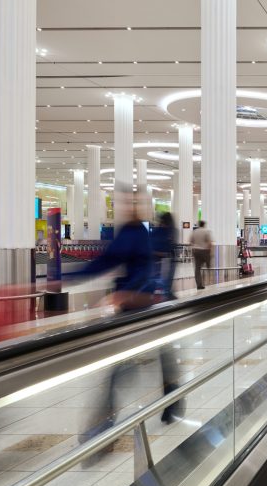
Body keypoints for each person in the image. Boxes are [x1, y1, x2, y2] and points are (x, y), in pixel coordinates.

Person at [73, 189, 184, 441]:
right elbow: (106, 261)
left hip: (149, 304)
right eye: (125, 202)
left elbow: (150, 272)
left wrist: (130, 293)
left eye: (134, 202)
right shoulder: (134, 234)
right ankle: (109, 418)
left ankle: (172, 400)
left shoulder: (149, 235)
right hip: (140, 305)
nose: (129, 206)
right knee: (127, 361)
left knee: (144, 358)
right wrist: (65, 278)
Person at [152, 211, 177, 300]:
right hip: (165, 259)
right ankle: (166, 295)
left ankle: (165, 294)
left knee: (160, 280)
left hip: (157, 260)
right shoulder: (171, 231)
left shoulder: (156, 231)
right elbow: (171, 245)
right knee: (165, 280)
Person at [190, 220, 212, 289]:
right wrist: (210, 251)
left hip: (196, 251)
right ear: (204, 225)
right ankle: (210, 278)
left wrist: (194, 248)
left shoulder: (194, 232)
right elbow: (209, 243)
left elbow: (190, 242)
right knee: (208, 264)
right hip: (204, 251)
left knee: (197, 269)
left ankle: (199, 285)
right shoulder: (206, 231)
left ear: (199, 225)